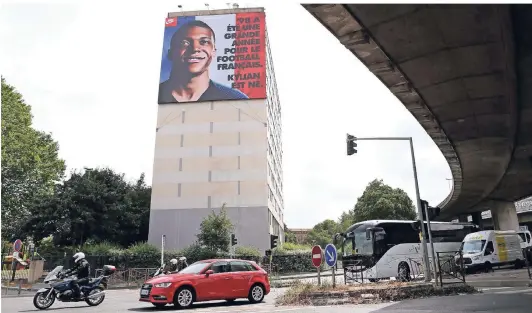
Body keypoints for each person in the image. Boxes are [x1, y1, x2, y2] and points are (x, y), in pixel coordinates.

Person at [158, 20, 248, 103]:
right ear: (170, 53)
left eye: (204, 42)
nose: (195, 49)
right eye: (185, 43)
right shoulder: (155, 95)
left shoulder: (235, 99)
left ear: (214, 52)